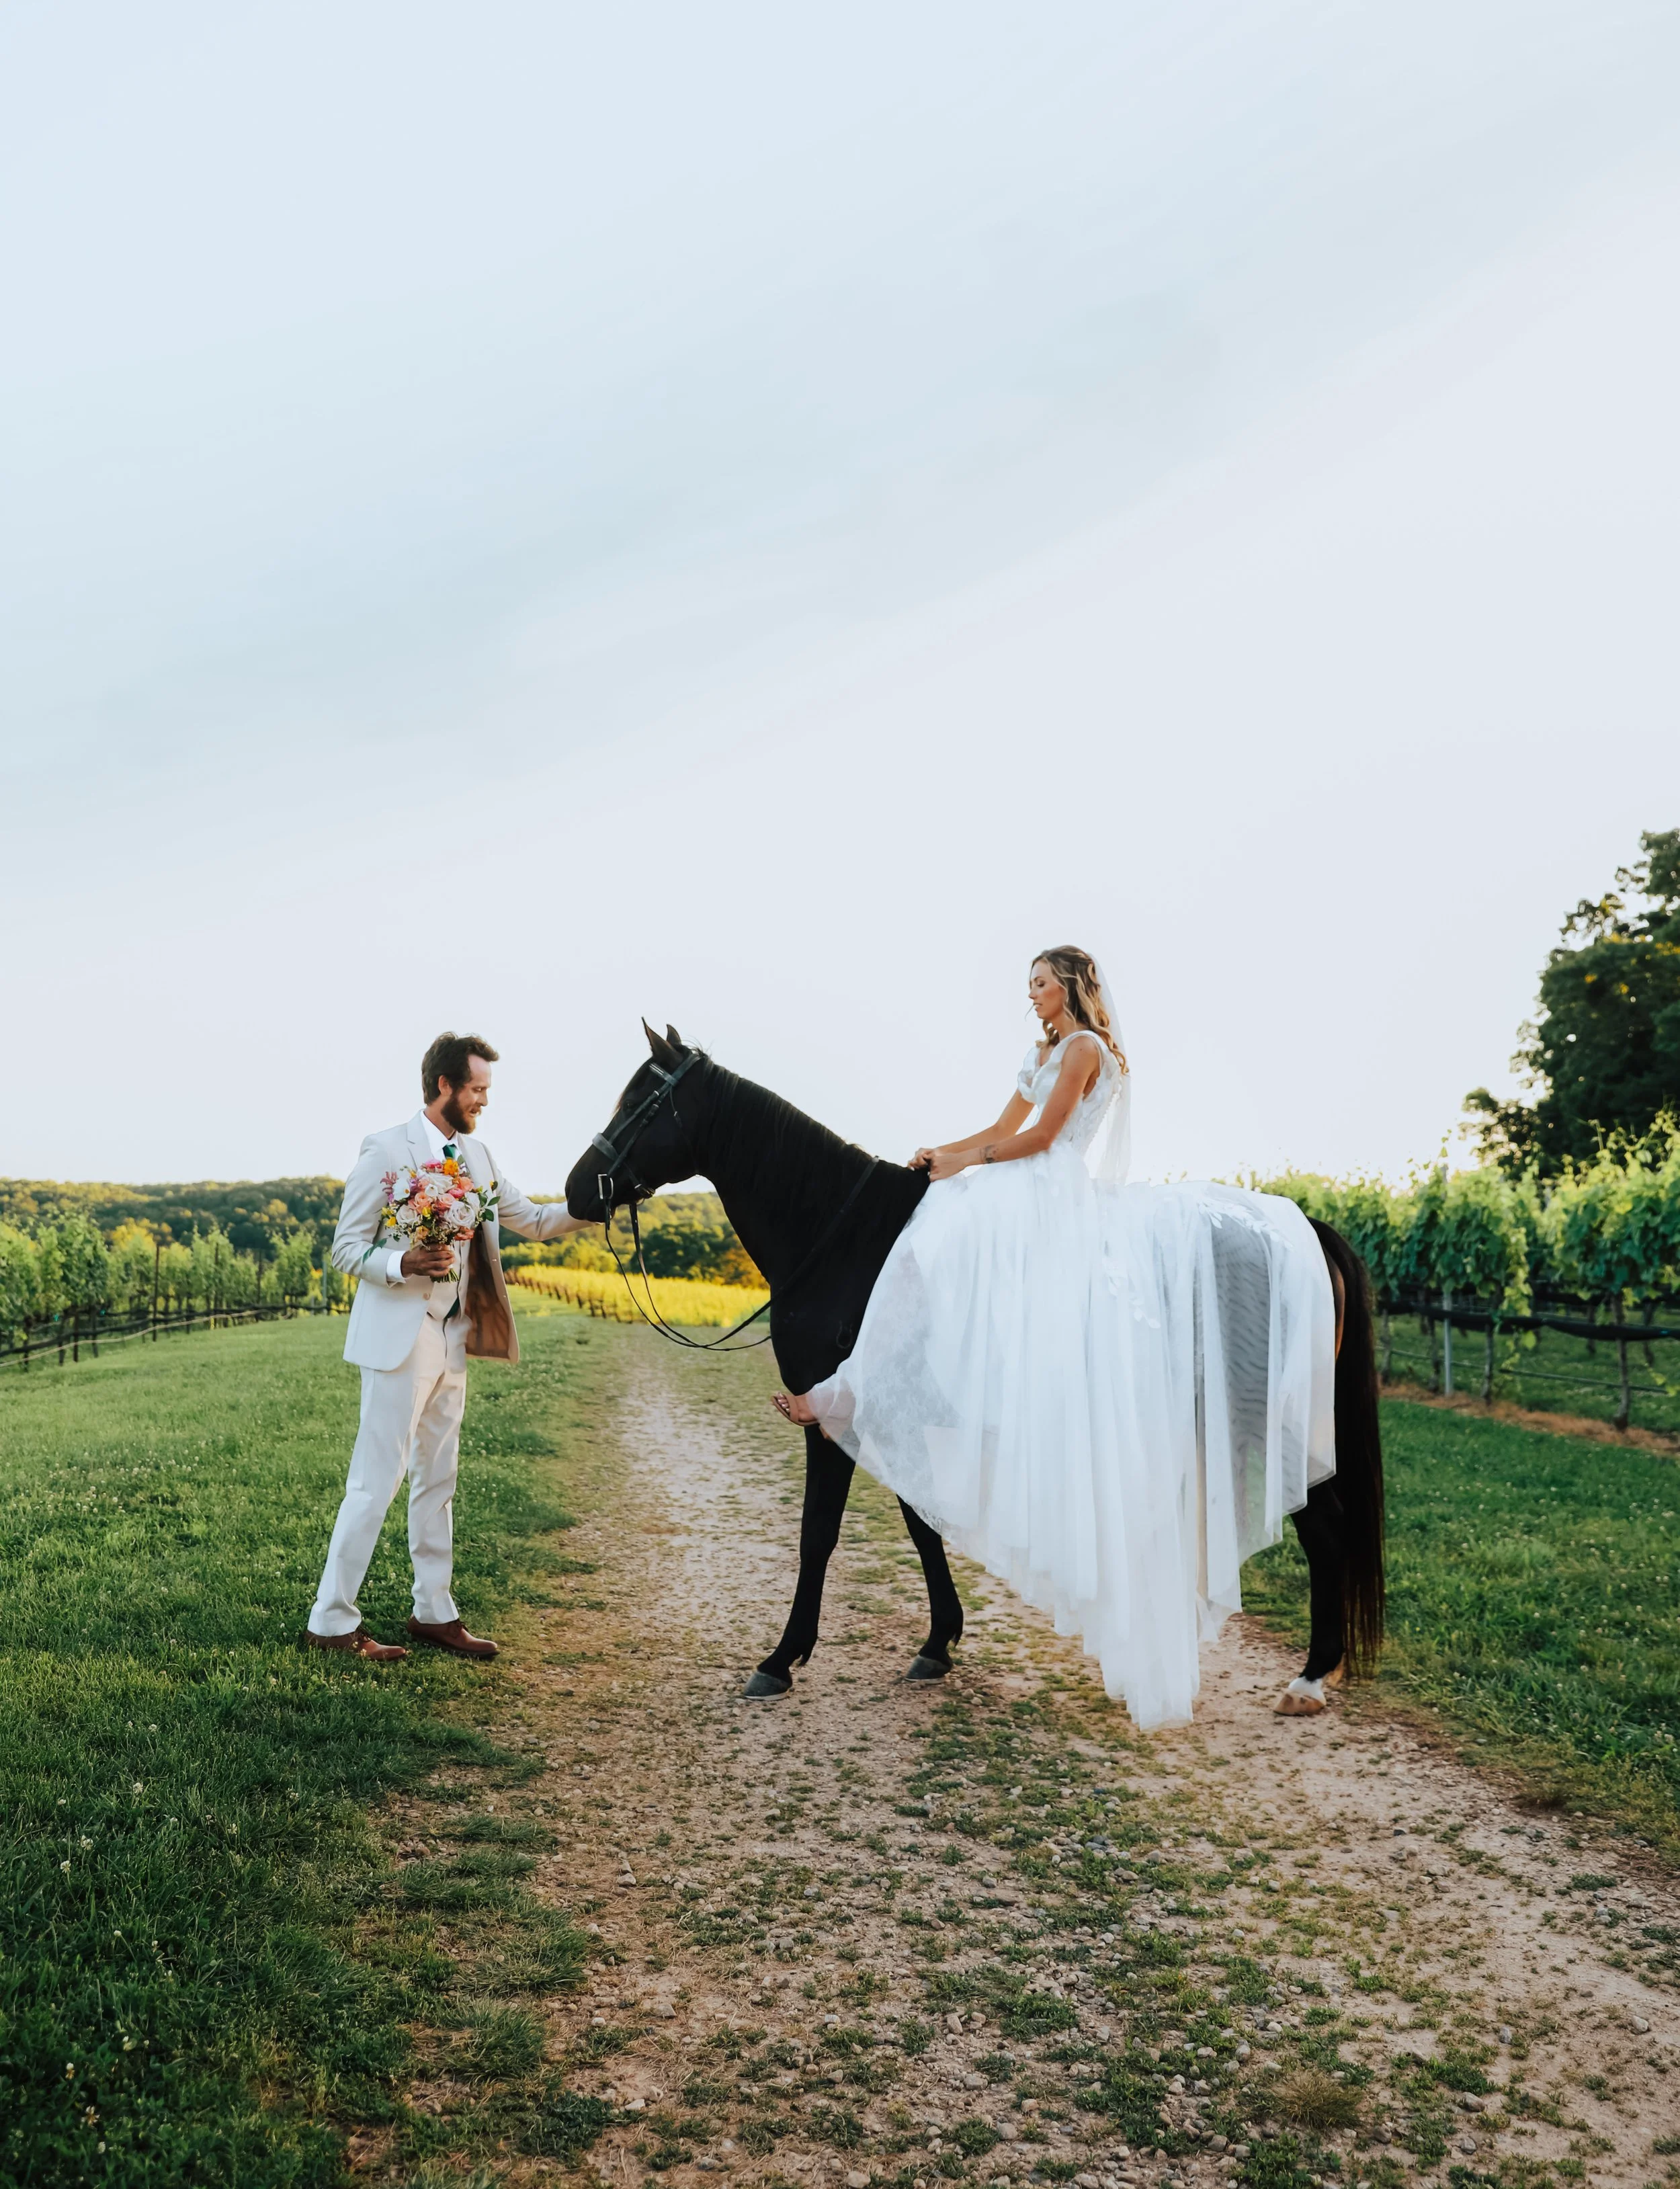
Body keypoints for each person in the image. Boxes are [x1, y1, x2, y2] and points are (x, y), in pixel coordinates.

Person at [774, 947, 1335, 1730]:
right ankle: (881, 1380)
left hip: (1050, 1189)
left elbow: (1040, 1139)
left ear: (1069, 986)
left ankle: (847, 1387)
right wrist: (945, 1153)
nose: (1030, 995)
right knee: (926, 1234)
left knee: (934, 1240)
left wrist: (966, 1166)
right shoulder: (1039, 1050)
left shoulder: (1083, 1050)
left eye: (1039, 981)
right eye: (1027, 984)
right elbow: (1002, 1123)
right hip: (1013, 1175)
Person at [304, 1032, 587, 1661]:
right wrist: (402, 1260)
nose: (485, 1101)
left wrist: (602, 1201)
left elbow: (537, 1221)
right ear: (444, 1087)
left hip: (454, 1336)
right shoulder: (385, 1149)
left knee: (440, 1479)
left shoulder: (480, 1157)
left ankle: (434, 1611)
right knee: (375, 1483)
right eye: (477, 1089)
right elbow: (346, 1248)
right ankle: (329, 1621)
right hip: (400, 1339)